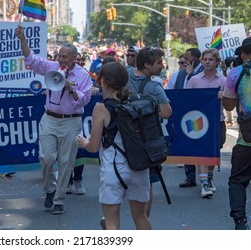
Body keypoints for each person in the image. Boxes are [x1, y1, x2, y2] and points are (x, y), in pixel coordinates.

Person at [15, 25, 92, 214]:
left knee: (66, 161)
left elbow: (84, 100)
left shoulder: (83, 75)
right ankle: (49, 189)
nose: (61, 59)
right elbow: (31, 59)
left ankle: (59, 199)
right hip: (49, 118)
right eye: (59, 56)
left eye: (65, 57)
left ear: (75, 58)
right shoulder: (52, 67)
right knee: (46, 158)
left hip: (71, 121)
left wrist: (70, 88)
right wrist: (22, 39)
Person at [76, 62, 152, 230]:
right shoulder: (137, 103)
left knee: (111, 221)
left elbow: (94, 146)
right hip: (139, 166)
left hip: (113, 168)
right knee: (140, 216)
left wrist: (83, 142)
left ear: (103, 81)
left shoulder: (101, 108)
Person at [125, 47, 172, 218]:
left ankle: (111, 217)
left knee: (120, 180)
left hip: (121, 138)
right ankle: (143, 222)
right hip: (145, 142)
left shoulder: (123, 75)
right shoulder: (154, 87)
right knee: (148, 182)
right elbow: (167, 112)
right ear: (146, 64)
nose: (162, 66)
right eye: (159, 62)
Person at [187, 48, 227, 198]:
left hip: (217, 121)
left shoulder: (223, 80)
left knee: (214, 150)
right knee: (202, 151)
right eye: (205, 59)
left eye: (211, 59)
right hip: (199, 121)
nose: (208, 62)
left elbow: (230, 101)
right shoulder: (194, 80)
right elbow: (186, 99)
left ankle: (209, 178)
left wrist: (223, 96)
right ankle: (204, 183)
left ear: (217, 62)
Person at [222, 37, 251, 230]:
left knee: (238, 181)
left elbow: (229, 104)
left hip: (247, 139)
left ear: (243, 54)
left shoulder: (237, 73)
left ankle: (240, 222)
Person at [175, 48, 204, 188]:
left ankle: (206, 178)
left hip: (200, 113)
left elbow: (202, 89)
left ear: (196, 58)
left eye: (187, 58)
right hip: (185, 113)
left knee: (201, 145)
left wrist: (191, 74)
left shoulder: (203, 71)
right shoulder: (181, 74)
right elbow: (177, 90)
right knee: (187, 144)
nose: (185, 61)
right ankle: (189, 177)